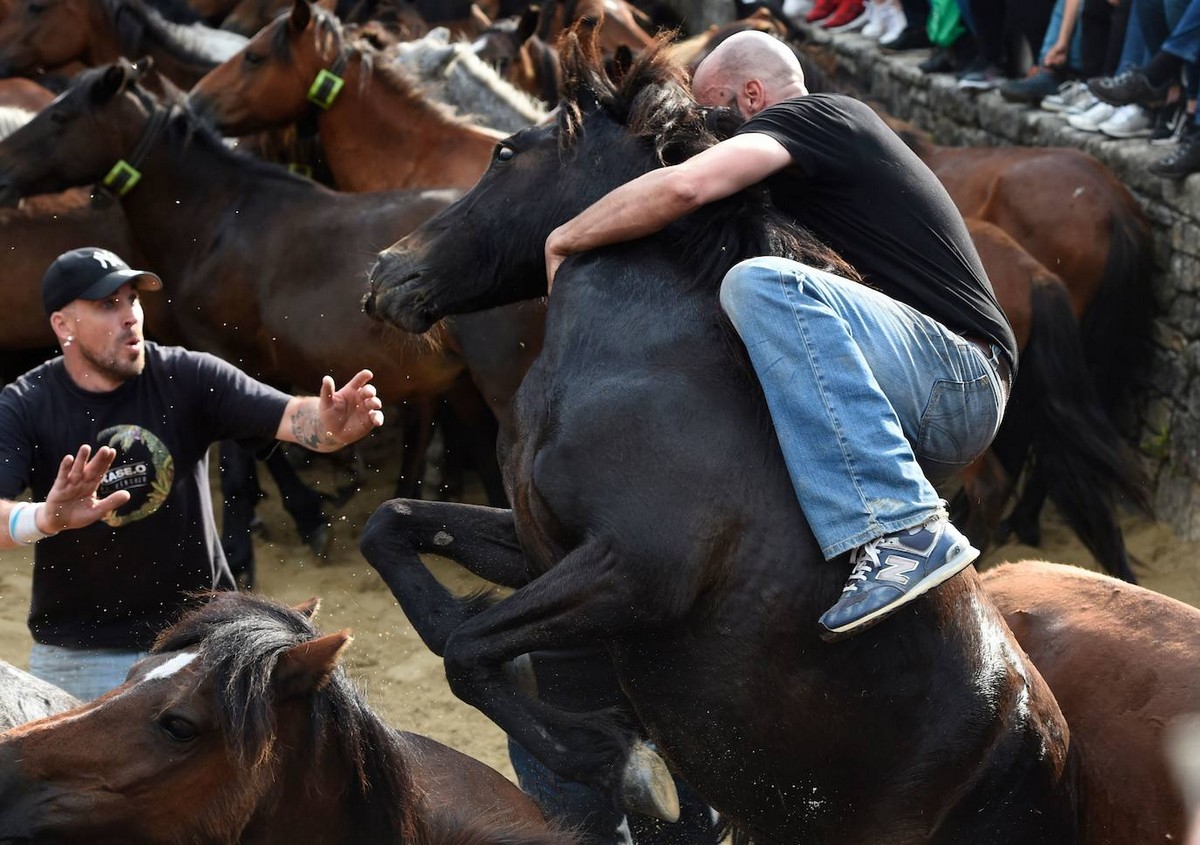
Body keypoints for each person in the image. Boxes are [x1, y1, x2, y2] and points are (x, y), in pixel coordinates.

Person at [545, 30, 1017, 641]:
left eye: (712, 110)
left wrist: (565, 238)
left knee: (760, 287)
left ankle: (902, 529)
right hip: (917, 384)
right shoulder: (809, 169)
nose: (706, 128)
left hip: (957, 376)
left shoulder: (818, 116)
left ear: (750, 94)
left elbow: (688, 185)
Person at [0, 247, 384, 699]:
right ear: (63, 325)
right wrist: (47, 518)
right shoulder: (24, 404)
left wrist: (331, 426)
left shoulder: (186, 375)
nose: (130, 317)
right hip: (79, 652)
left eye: (132, 300)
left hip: (197, 642)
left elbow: (293, 418)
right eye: (108, 305)